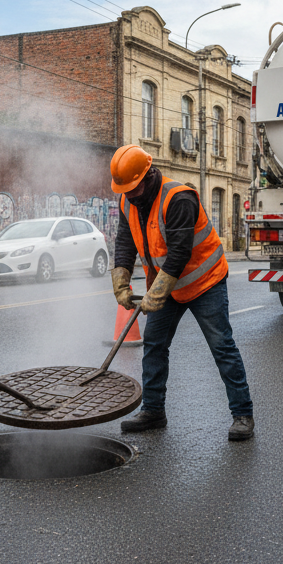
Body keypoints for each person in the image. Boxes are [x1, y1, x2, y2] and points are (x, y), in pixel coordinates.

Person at [108, 145, 255, 440]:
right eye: (126, 190)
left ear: (148, 177)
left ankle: (243, 414)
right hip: (167, 287)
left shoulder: (178, 198)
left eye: (134, 188)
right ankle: (153, 411)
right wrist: (121, 282)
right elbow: (125, 243)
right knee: (154, 345)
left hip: (204, 283)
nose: (131, 195)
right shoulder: (128, 202)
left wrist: (156, 293)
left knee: (222, 346)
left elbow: (179, 253)